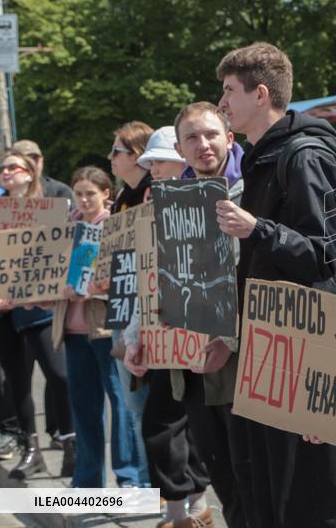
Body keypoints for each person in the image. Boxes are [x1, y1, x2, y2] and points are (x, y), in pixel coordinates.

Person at [216, 42, 336, 527]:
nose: (222, 104)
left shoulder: (305, 156)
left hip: (303, 351)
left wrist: (258, 229)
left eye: (229, 91)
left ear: (260, 94)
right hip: (268, 347)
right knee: (268, 486)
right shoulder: (262, 158)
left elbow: (328, 255)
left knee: (308, 493)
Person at [124, 128, 212, 528]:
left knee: (178, 424)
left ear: (180, 159)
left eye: (158, 161)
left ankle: (191, 510)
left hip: (200, 338)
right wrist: (133, 337)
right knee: (165, 424)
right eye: (149, 164)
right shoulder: (151, 210)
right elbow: (143, 278)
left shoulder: (209, 202)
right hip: (163, 337)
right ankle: (187, 510)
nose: (152, 169)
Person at [170, 101, 249, 528]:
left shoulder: (251, 196)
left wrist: (231, 339)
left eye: (211, 134)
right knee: (221, 478)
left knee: (251, 479)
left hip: (241, 367)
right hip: (190, 367)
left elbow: (254, 279)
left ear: (229, 138)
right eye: (192, 138)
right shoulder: (170, 206)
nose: (203, 145)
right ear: (180, 149)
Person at [55, 166, 142, 488]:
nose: (84, 199)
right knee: (83, 407)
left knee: (120, 405)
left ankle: (128, 476)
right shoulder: (66, 229)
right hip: (73, 331)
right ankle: (87, 480)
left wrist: (94, 287)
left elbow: (124, 280)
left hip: (105, 329)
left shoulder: (114, 227)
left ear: (106, 193)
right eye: (78, 193)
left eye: (90, 193)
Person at [0, 150, 75, 479]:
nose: (4, 172)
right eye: (1, 168)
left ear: (29, 173)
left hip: (37, 310)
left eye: (12, 167)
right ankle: (31, 449)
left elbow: (55, 257)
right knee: (17, 382)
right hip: (4, 313)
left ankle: (72, 443)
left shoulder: (46, 208)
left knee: (59, 375)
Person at [106, 120, 156, 488]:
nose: (111, 158)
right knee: (133, 408)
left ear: (138, 155)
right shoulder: (123, 199)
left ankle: (162, 485)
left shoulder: (154, 193)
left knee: (152, 409)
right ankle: (146, 481)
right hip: (123, 312)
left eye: (117, 151)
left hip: (153, 313)